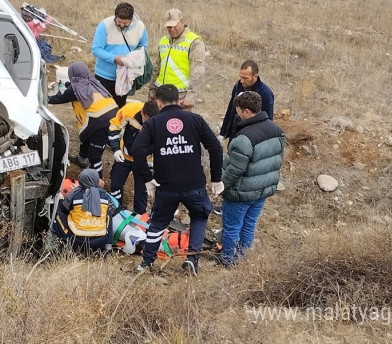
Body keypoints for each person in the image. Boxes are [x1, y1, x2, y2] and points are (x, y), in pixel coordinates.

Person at [130, 84, 223, 276]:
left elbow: (137, 150)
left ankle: (146, 263)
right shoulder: (194, 119)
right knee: (199, 216)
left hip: (166, 186)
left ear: (158, 101)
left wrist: (148, 179)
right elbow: (215, 147)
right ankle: (192, 259)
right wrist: (216, 178)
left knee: (158, 223)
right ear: (179, 100)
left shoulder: (153, 123)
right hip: (194, 183)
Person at [217, 91, 285, 266]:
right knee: (249, 224)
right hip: (262, 190)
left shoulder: (244, 138)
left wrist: (221, 186)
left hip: (241, 192)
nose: (237, 114)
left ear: (246, 111)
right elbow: (276, 159)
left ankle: (227, 260)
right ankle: (242, 259)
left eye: (238, 111)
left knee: (232, 227)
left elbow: (236, 169)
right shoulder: (277, 130)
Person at [48, 62, 118, 177]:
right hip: (112, 115)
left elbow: (58, 99)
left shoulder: (75, 90)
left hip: (101, 122)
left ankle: (97, 182)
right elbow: (75, 88)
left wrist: (43, 97)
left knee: (94, 156)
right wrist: (66, 84)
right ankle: (81, 159)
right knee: (86, 136)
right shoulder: (93, 81)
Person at [91, 2, 148, 107]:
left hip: (125, 77)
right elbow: (96, 49)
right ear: (115, 16)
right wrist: (114, 58)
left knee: (119, 108)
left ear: (132, 19)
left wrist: (133, 58)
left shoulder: (140, 27)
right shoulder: (104, 25)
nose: (121, 25)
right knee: (102, 108)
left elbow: (143, 46)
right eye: (118, 22)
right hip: (104, 76)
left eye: (125, 23)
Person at [108, 100, 160, 215]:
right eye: (147, 119)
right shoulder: (130, 110)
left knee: (141, 192)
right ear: (142, 113)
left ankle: (139, 217)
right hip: (125, 156)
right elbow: (114, 127)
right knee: (116, 184)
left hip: (144, 160)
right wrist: (116, 149)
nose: (149, 123)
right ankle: (115, 210)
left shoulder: (160, 121)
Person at [148, 8, 206, 110]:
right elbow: (157, 67)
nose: (172, 29)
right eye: (169, 27)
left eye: (175, 26)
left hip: (180, 97)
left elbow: (197, 72)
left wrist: (191, 96)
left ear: (182, 22)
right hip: (160, 94)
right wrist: (152, 89)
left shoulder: (194, 42)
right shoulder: (163, 40)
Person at [52, 168, 113, 253]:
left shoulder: (74, 194)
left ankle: (66, 245)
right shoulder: (105, 197)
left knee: (57, 214)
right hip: (100, 241)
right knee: (108, 215)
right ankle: (108, 246)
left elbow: (63, 210)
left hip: (77, 240)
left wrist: (61, 200)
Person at [218, 60, 274, 141]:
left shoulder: (265, 94)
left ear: (255, 76)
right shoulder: (238, 86)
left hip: (252, 137)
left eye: (245, 78)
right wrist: (223, 133)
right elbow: (231, 109)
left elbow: (268, 120)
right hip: (235, 132)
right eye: (240, 77)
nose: (242, 80)